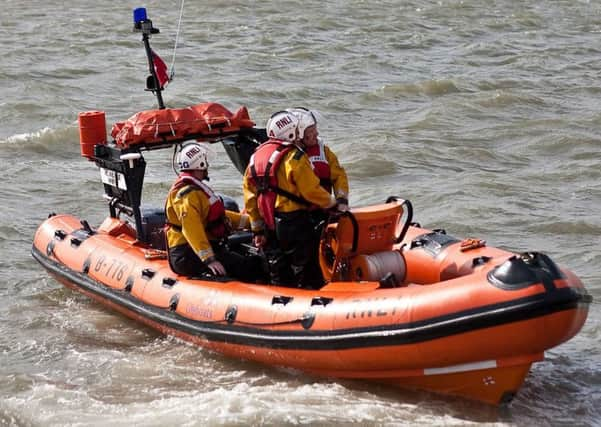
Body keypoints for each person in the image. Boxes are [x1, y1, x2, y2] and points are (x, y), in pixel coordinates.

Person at [242, 110, 339, 288]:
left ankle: (279, 300)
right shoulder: (294, 157)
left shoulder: (255, 158)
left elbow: (250, 198)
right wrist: (333, 204)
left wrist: (257, 230)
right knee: (309, 266)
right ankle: (312, 298)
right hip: (294, 223)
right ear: (291, 133)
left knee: (279, 268)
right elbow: (311, 191)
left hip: (269, 223)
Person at [165, 142, 262, 281]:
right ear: (200, 164)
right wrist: (210, 260)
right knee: (249, 266)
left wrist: (250, 222)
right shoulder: (186, 195)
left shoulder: (195, 190)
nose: (208, 166)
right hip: (186, 253)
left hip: (199, 248)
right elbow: (192, 229)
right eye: (205, 161)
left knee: (248, 261)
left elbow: (218, 217)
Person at [287, 107, 349, 210]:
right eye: (311, 131)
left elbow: (339, 176)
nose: (316, 133)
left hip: (325, 210)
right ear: (298, 134)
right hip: (298, 216)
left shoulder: (324, 152)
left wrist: (342, 201)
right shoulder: (287, 157)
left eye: (315, 129)